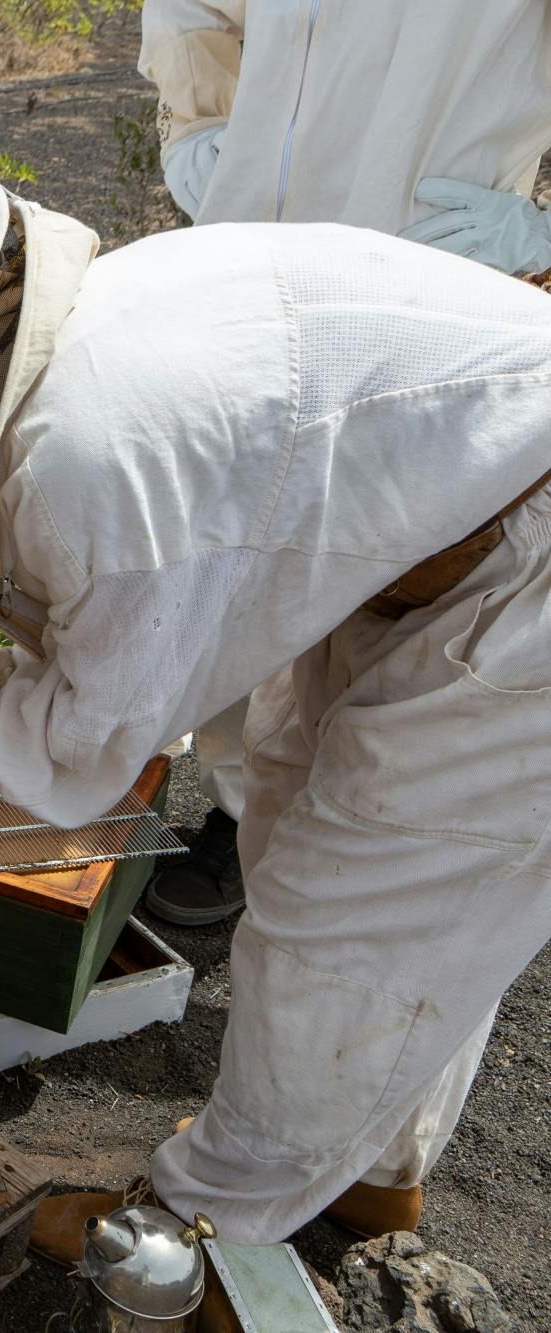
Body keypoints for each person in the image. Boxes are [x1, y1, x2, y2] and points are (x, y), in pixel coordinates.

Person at [0, 176, 551, 1252]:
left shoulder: (88, 462)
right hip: (431, 523)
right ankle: (363, 1174)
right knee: (299, 814)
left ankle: (201, 1234)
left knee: (357, 913)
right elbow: (84, 659)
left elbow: (78, 742)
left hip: (522, 568)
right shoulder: (73, 365)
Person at [137, 0, 551, 926]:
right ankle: (241, 815)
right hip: (255, 281)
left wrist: (537, 237)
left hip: (437, 307)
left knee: (394, 615)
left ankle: (360, 870)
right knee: (231, 567)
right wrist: (200, 129)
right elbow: (194, 10)